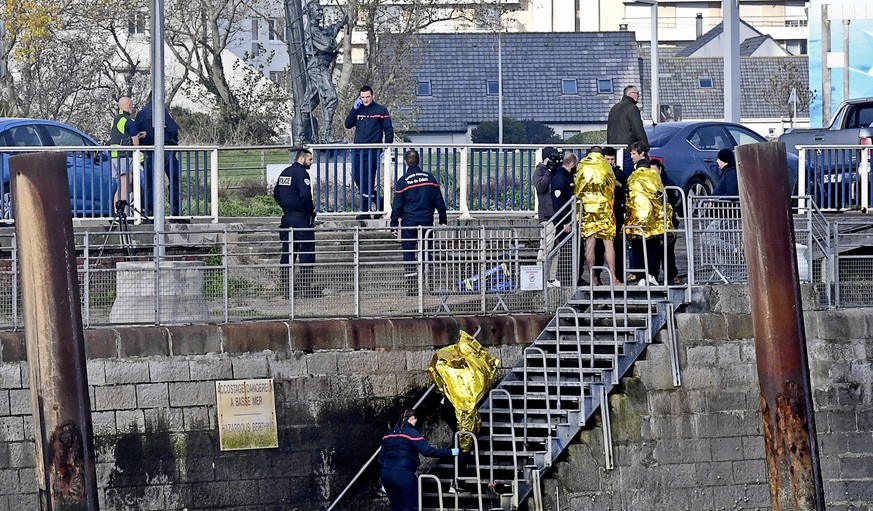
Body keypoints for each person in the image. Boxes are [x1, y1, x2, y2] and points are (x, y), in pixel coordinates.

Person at [390, 149, 447, 296]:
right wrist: (443, 219)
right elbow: (439, 200)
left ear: (406, 162)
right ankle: (429, 284)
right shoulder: (430, 178)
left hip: (409, 223)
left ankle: (412, 287)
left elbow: (397, 205)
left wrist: (394, 224)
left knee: (409, 254)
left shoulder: (403, 181)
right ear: (419, 161)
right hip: (427, 222)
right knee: (427, 252)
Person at [380, 409, 459, 511]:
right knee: (410, 507)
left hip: (386, 475)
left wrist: (382, 479)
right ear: (412, 418)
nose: (415, 423)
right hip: (403, 474)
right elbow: (427, 451)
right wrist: (450, 452)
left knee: (396, 507)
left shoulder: (388, 435)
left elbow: (381, 459)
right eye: (415, 420)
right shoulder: (412, 433)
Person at [299, 0, 348, 143]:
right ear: (310, 13)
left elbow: (329, 31)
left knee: (309, 104)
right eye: (317, 11)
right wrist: (333, 43)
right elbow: (327, 45)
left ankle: (301, 136)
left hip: (319, 68)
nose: (320, 13)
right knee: (331, 97)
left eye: (321, 10)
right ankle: (326, 136)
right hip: (318, 68)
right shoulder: (313, 31)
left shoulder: (318, 30)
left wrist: (340, 24)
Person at [274, 148, 320, 297]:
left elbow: (276, 193)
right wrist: (310, 209)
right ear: (302, 159)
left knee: (288, 253)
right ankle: (306, 289)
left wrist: (286, 206)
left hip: (287, 218)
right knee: (306, 253)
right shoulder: (301, 174)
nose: (311, 163)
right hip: (301, 219)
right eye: (310, 159)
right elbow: (305, 196)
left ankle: (287, 289)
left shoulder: (285, 172)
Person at [345, 85, 394, 219]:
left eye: (367, 97)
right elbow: (348, 124)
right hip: (358, 151)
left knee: (368, 180)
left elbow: (388, 130)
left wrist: (386, 147)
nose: (365, 100)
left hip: (373, 151)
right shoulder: (358, 109)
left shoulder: (381, 110)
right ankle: (380, 204)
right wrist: (353, 109)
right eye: (362, 97)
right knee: (357, 179)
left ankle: (366, 212)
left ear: (372, 96)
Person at [574, 151, 620, 286]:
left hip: (587, 209)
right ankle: (613, 278)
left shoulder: (582, 165)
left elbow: (577, 187)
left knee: (590, 243)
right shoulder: (605, 166)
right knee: (608, 244)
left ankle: (593, 278)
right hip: (604, 209)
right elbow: (611, 186)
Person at [625, 162, 670, 285]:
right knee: (653, 248)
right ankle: (651, 274)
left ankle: (641, 276)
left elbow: (627, 195)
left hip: (636, 220)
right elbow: (660, 196)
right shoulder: (655, 177)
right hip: (653, 220)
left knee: (637, 248)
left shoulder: (632, 177)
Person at [136, 94, 182, 217]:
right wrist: (173, 144)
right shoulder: (163, 112)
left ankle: (149, 212)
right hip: (166, 150)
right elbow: (173, 130)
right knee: (174, 180)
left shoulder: (141, 114)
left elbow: (136, 134)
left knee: (150, 182)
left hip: (148, 151)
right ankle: (175, 212)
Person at [108, 97, 143, 211]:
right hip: (124, 157)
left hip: (114, 157)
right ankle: (124, 215)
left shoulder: (115, 120)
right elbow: (134, 141)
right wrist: (138, 147)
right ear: (129, 106)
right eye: (131, 106)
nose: (132, 108)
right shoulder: (129, 121)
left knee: (121, 186)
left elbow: (120, 136)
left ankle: (117, 214)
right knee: (125, 186)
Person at [533, 146, 561, 287]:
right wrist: (549, 170)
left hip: (557, 215)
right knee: (546, 246)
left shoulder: (556, 171)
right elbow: (541, 187)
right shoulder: (540, 170)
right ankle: (539, 277)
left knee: (556, 248)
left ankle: (551, 278)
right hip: (546, 215)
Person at [650, 159, 681, 284]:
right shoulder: (649, 183)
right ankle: (654, 275)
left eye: (654, 170)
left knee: (668, 250)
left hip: (668, 222)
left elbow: (675, 201)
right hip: (653, 223)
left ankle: (670, 275)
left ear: (660, 169)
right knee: (655, 251)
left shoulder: (667, 183)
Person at [607, 85, 648, 172]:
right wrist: (645, 147)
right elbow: (638, 130)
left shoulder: (614, 108)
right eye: (637, 93)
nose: (639, 96)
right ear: (630, 94)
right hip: (628, 149)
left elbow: (609, 130)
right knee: (628, 176)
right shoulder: (632, 108)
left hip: (614, 149)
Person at [550, 153, 577, 284]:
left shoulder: (566, 177)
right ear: (572, 164)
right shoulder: (560, 179)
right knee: (565, 251)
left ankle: (569, 279)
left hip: (568, 220)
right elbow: (559, 204)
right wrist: (565, 222)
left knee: (570, 251)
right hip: (564, 222)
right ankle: (565, 279)